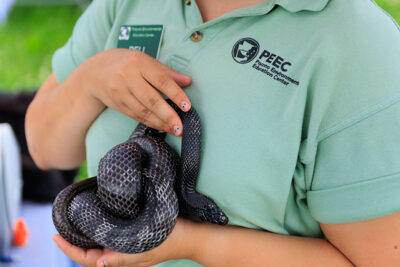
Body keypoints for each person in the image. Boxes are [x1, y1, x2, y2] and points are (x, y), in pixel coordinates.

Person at [25, 0, 400, 266]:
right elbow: (46, 150)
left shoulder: (362, 49)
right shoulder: (125, 3)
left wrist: (194, 242)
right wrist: (90, 81)